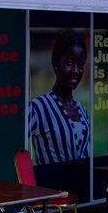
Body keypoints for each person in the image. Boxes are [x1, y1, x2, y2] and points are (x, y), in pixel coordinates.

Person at [28, 29, 91, 164]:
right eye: (69, 63)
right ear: (56, 63)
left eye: (80, 64)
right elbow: (14, 149)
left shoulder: (82, 110)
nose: (75, 71)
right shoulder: (37, 108)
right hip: (49, 185)